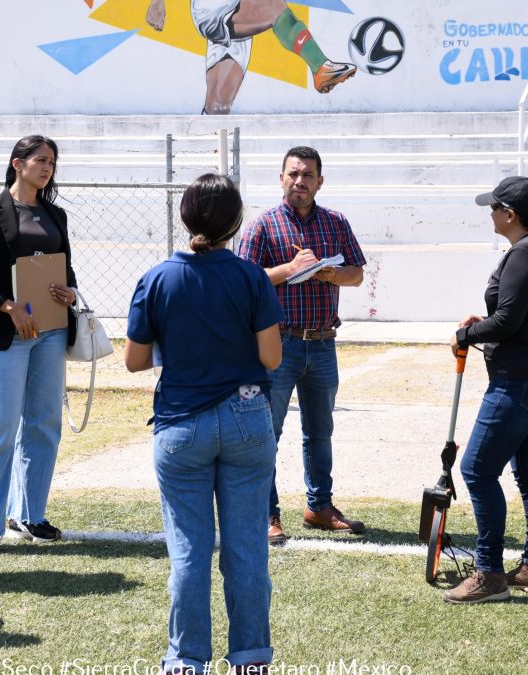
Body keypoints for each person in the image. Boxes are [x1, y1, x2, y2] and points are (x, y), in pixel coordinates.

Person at [125, 173, 283, 671]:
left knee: (189, 552)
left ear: (185, 217)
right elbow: (272, 357)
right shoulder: (251, 277)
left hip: (180, 421)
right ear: (235, 223)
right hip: (246, 415)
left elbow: (134, 360)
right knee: (247, 550)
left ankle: (186, 659)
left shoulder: (157, 278)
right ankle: (251, 657)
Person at [443, 176, 528, 604]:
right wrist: (479, 325)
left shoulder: (525, 252)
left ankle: (490, 575)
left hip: (521, 381)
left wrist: (467, 335)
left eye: (494, 207)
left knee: (477, 471)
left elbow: (508, 322)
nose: (491, 214)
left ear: (510, 214)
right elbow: (513, 315)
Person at [238, 145, 367, 545]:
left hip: (323, 344)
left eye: (308, 175)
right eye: (293, 174)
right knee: (267, 433)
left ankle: (319, 507)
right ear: (281, 178)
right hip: (280, 345)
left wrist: (330, 274)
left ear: (319, 181)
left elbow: (357, 275)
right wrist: (289, 270)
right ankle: (267, 514)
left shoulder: (336, 222)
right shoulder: (263, 225)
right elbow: (244, 281)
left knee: (320, 432)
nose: (300, 181)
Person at [0, 135, 79, 561]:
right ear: (17, 164)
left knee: (45, 423)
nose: (47, 168)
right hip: (9, 334)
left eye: (52, 162)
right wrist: (9, 306)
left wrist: (70, 292)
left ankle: (28, 514)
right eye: (40, 161)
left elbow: (66, 266)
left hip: (49, 330)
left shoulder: (55, 213)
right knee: (0, 426)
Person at [146, 0, 356, 114]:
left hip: (240, 11)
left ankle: (206, 170)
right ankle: (321, 68)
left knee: (219, 103)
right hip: (215, 7)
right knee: (274, 7)